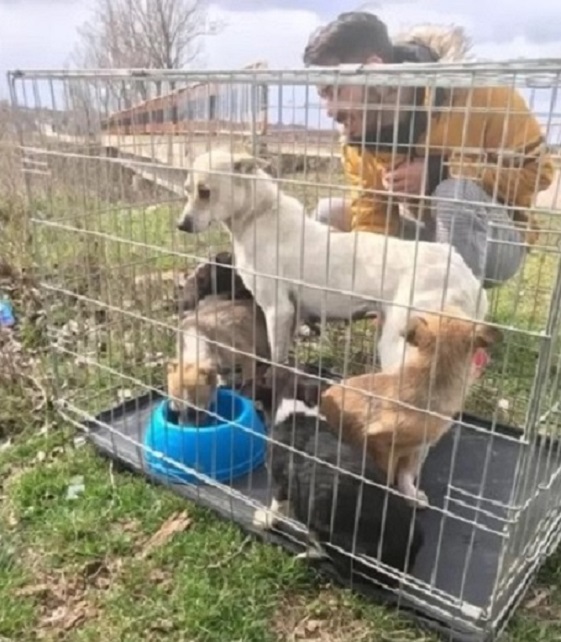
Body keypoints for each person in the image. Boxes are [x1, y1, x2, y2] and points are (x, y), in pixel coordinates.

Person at [303, 12, 554, 288]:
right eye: (323, 95)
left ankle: (450, 317)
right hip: (428, 235)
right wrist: (372, 283)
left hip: (496, 240)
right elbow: (372, 218)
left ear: (375, 70)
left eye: (335, 91)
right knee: (329, 214)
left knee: (453, 194)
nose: (330, 111)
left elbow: (538, 172)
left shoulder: (483, 94)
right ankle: (329, 309)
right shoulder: (357, 133)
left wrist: (439, 172)